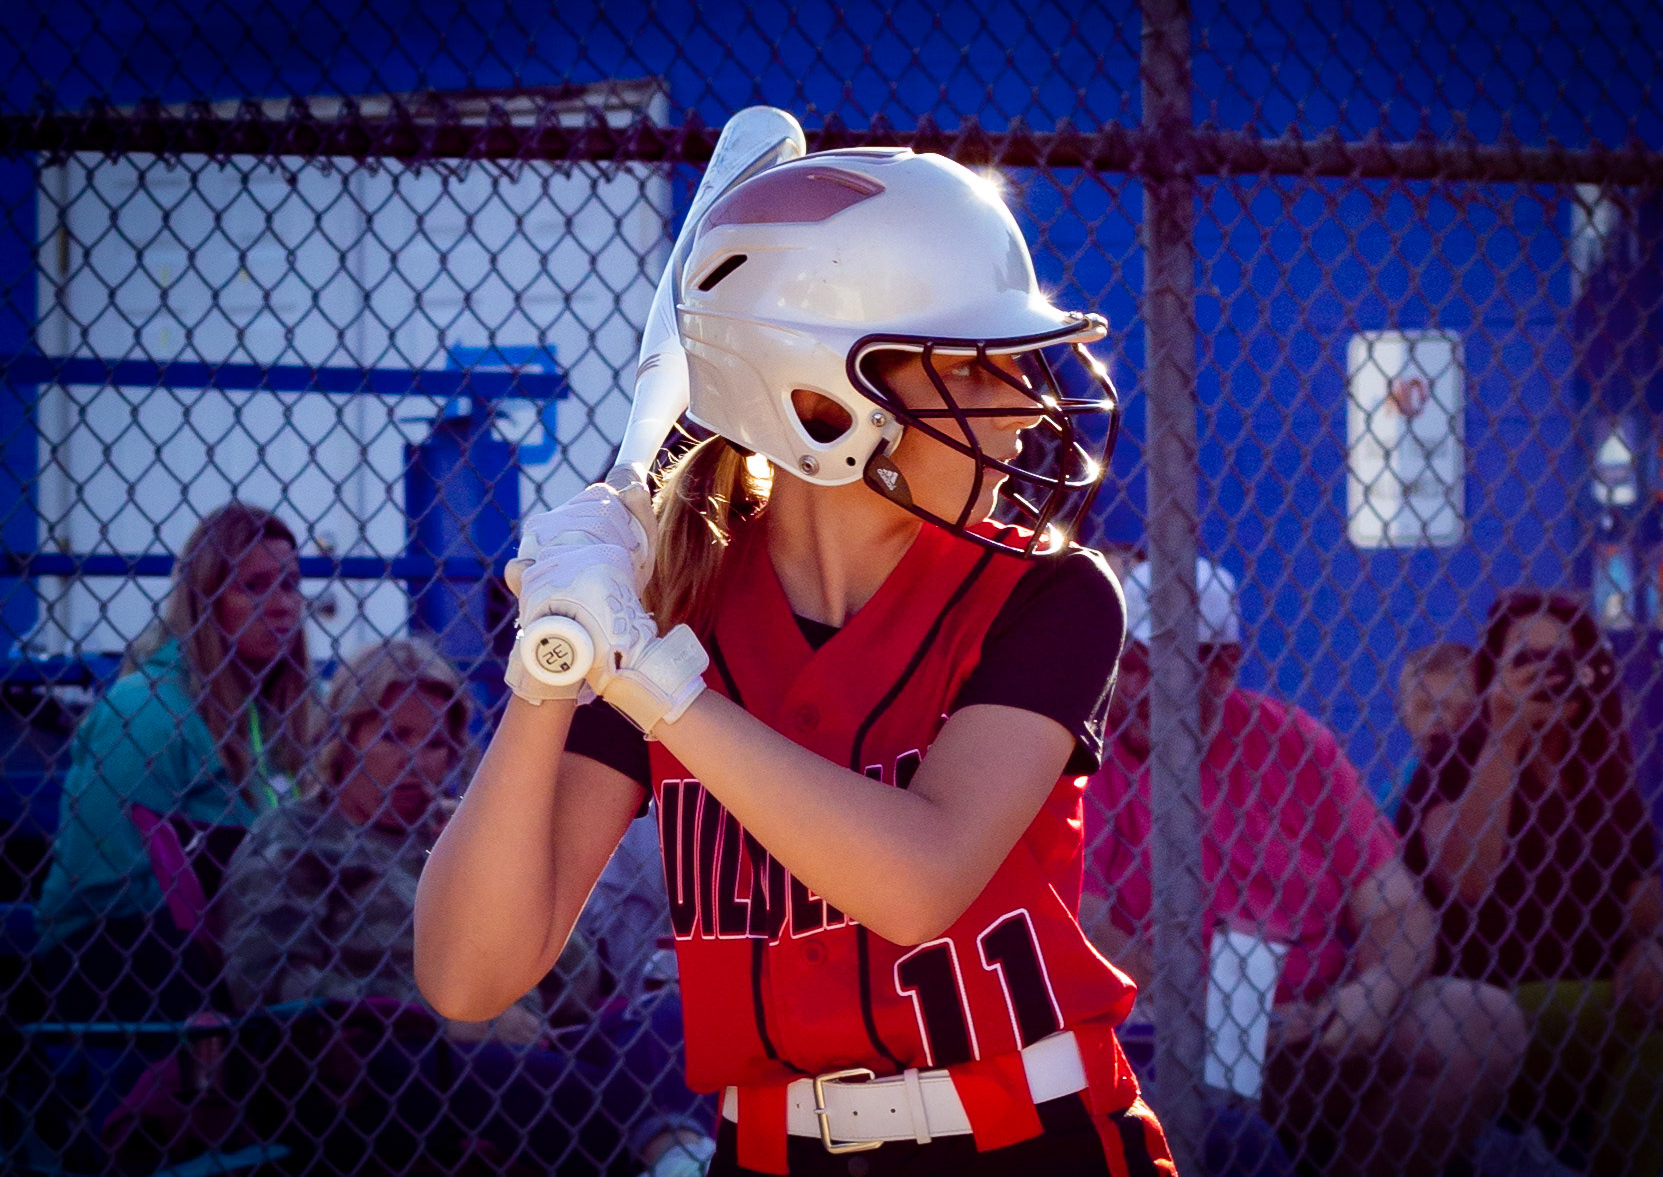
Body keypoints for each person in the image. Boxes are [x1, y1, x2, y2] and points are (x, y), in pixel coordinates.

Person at [417, 147, 1175, 1177]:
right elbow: (468, 972)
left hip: (1028, 1143)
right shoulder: (673, 608)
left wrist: (651, 679)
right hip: (773, 1153)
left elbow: (918, 880)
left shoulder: (1049, 594)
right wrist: (552, 659)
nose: (1024, 407)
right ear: (816, 401)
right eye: (969, 366)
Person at [1085, 559, 1525, 1177]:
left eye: (1158, 668)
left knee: (1482, 1022)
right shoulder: (1093, 756)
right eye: (1127, 665)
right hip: (1166, 1033)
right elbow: (1090, 929)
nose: (1135, 688)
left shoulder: (1291, 741)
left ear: (1223, 667)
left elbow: (1397, 907)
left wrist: (1372, 992)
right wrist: (1221, 1014)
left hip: (1316, 1020)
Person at [218, 637, 710, 1176]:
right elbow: (266, 979)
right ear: (344, 738)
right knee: (576, 1092)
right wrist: (445, 1018)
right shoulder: (296, 836)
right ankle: (674, 1153)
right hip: (386, 1060)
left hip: (533, 1043)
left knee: (668, 1023)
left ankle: (674, 1154)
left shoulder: (452, 842)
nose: (416, 762)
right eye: (394, 736)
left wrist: (498, 860)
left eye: (436, 743)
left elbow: (579, 986)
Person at [1399, 588, 1663, 1177]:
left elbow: (1651, 920)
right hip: (1487, 1007)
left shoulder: (1604, 780)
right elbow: (1466, 879)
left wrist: (1649, 950)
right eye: (1524, 660)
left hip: (1592, 996)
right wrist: (1505, 736)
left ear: (1588, 675)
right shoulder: (1453, 761)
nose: (1544, 674)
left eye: (1560, 661)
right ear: (1494, 674)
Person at [34, 502, 313, 1020]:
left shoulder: (289, 717)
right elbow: (104, 892)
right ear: (204, 599)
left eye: (291, 584)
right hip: (129, 956)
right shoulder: (143, 711)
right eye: (253, 586)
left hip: (261, 946)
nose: (281, 606)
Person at [1387, 642, 1476, 821]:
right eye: (1424, 707)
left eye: (1451, 706)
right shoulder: (1401, 786)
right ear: (1405, 716)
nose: (1437, 718)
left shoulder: (1496, 769)